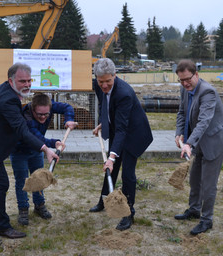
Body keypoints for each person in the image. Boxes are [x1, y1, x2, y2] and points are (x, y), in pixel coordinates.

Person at [0, 63, 59, 239]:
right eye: (22, 81)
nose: (27, 85)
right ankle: (2, 227)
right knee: (1, 183)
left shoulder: (8, 92)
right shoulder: (9, 99)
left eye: (29, 81)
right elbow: (22, 130)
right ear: (11, 80)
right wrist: (45, 148)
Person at [90, 58, 153, 231]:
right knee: (110, 168)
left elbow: (123, 128)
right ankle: (104, 201)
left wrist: (111, 156)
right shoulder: (98, 85)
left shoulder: (124, 93)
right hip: (119, 128)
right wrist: (105, 121)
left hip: (134, 134)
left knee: (127, 174)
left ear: (115, 76)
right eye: (101, 81)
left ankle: (128, 213)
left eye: (108, 81)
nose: (104, 86)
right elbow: (105, 105)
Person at [174, 59, 223, 235]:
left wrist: (189, 143)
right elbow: (182, 112)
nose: (185, 83)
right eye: (181, 80)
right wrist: (179, 134)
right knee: (195, 179)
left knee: (208, 184)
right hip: (198, 142)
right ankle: (194, 210)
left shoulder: (208, 92)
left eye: (188, 79)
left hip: (213, 142)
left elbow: (204, 121)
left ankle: (206, 220)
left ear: (196, 75)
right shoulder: (185, 89)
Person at [10, 93, 77, 226]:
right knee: (22, 181)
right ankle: (23, 209)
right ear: (33, 109)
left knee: (39, 178)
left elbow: (68, 107)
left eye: (46, 114)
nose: (43, 117)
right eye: (39, 114)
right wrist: (55, 142)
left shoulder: (49, 106)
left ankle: (39, 205)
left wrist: (68, 119)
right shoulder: (26, 118)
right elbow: (38, 138)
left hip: (37, 151)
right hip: (19, 151)